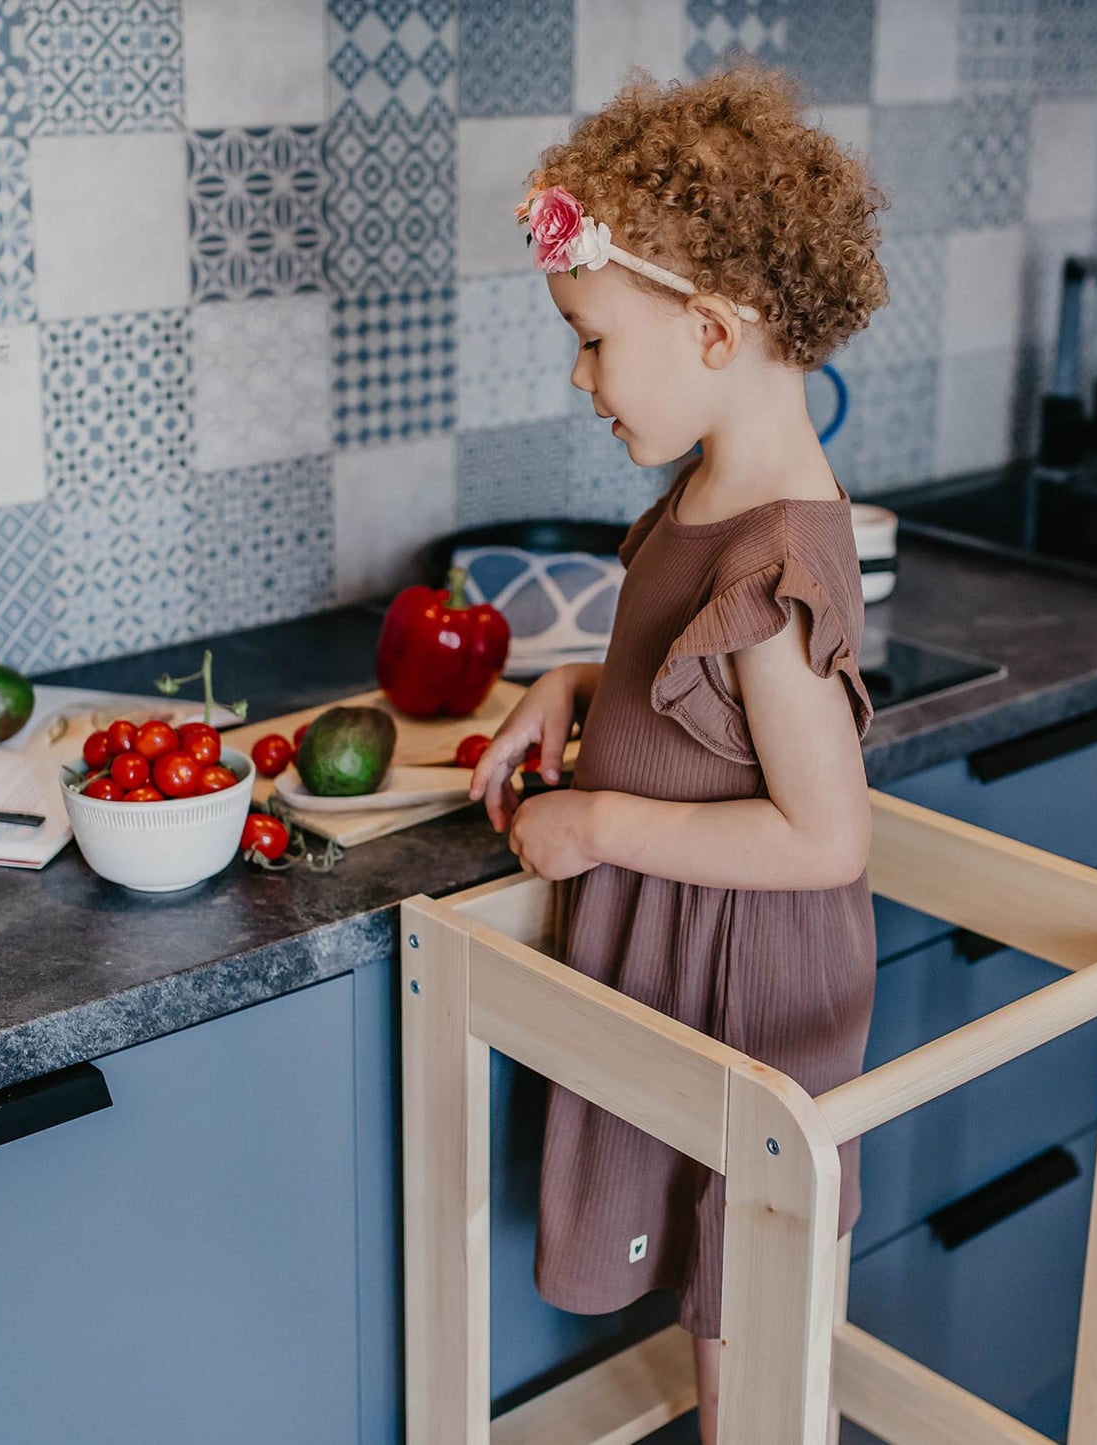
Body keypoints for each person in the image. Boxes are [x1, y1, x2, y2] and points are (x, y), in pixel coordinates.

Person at [468, 60, 889, 1444]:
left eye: (590, 337)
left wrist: (593, 823)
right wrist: (580, 684)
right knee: (717, 1295)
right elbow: (687, 685)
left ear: (710, 332)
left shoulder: (772, 557)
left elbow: (823, 838)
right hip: (691, 951)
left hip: (749, 985)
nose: (580, 375)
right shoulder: (710, 487)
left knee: (744, 1336)